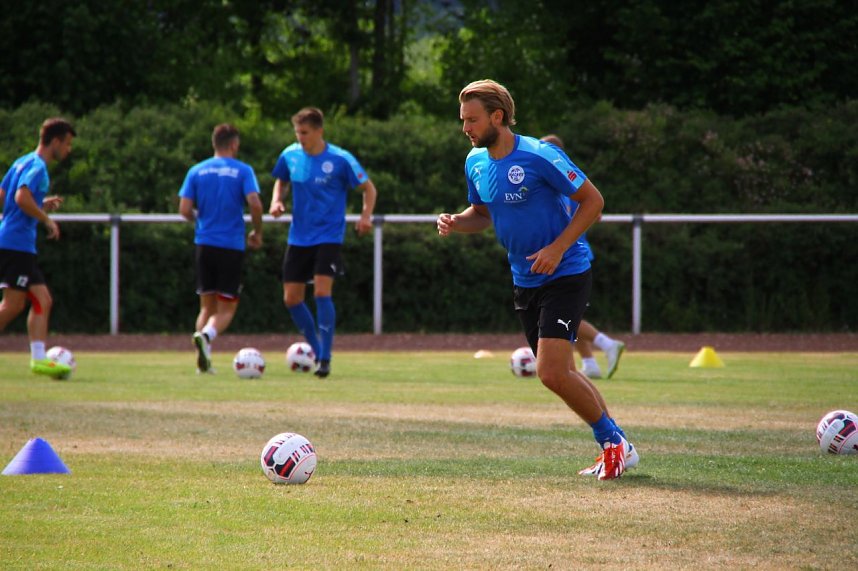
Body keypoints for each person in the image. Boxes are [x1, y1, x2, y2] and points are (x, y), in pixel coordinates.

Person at [437, 80, 638, 480]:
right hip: (524, 279)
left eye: (472, 120)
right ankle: (620, 445)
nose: (466, 129)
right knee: (561, 372)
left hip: (566, 272)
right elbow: (483, 212)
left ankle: (613, 443)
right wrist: (457, 221)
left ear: (498, 116)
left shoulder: (540, 155)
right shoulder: (474, 161)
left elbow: (593, 201)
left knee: (550, 372)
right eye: (463, 121)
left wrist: (558, 248)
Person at [269, 107, 377, 378]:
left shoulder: (340, 159)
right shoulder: (289, 154)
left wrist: (365, 216)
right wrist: (277, 200)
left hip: (328, 236)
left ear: (319, 131)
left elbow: (369, 189)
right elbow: (280, 180)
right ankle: (316, 350)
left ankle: (325, 357)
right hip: (298, 236)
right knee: (291, 298)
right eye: (297, 132)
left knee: (320, 292)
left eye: (305, 132)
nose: (300, 137)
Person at [179, 124, 264, 374]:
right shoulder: (243, 170)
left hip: (204, 243)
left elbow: (184, 210)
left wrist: (203, 222)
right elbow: (255, 204)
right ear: (234, 144)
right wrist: (257, 232)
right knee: (227, 307)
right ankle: (206, 336)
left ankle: (202, 362)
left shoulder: (196, 170)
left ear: (213, 143)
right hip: (231, 245)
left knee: (206, 306)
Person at [540, 134, 625, 380]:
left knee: (561, 318)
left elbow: (593, 208)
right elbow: (594, 214)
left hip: (566, 258)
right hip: (572, 253)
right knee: (569, 316)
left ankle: (607, 344)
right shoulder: (570, 180)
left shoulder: (556, 182)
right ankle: (589, 363)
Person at [0, 118, 76, 378]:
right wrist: (45, 219)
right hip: (17, 244)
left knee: (43, 300)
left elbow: (4, 196)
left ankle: (39, 360)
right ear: (55, 141)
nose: (68, 150)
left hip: (15, 242)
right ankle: (39, 358)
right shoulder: (38, 167)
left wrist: (40, 203)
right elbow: (21, 198)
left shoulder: (21, 161)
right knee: (12, 305)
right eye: (67, 144)